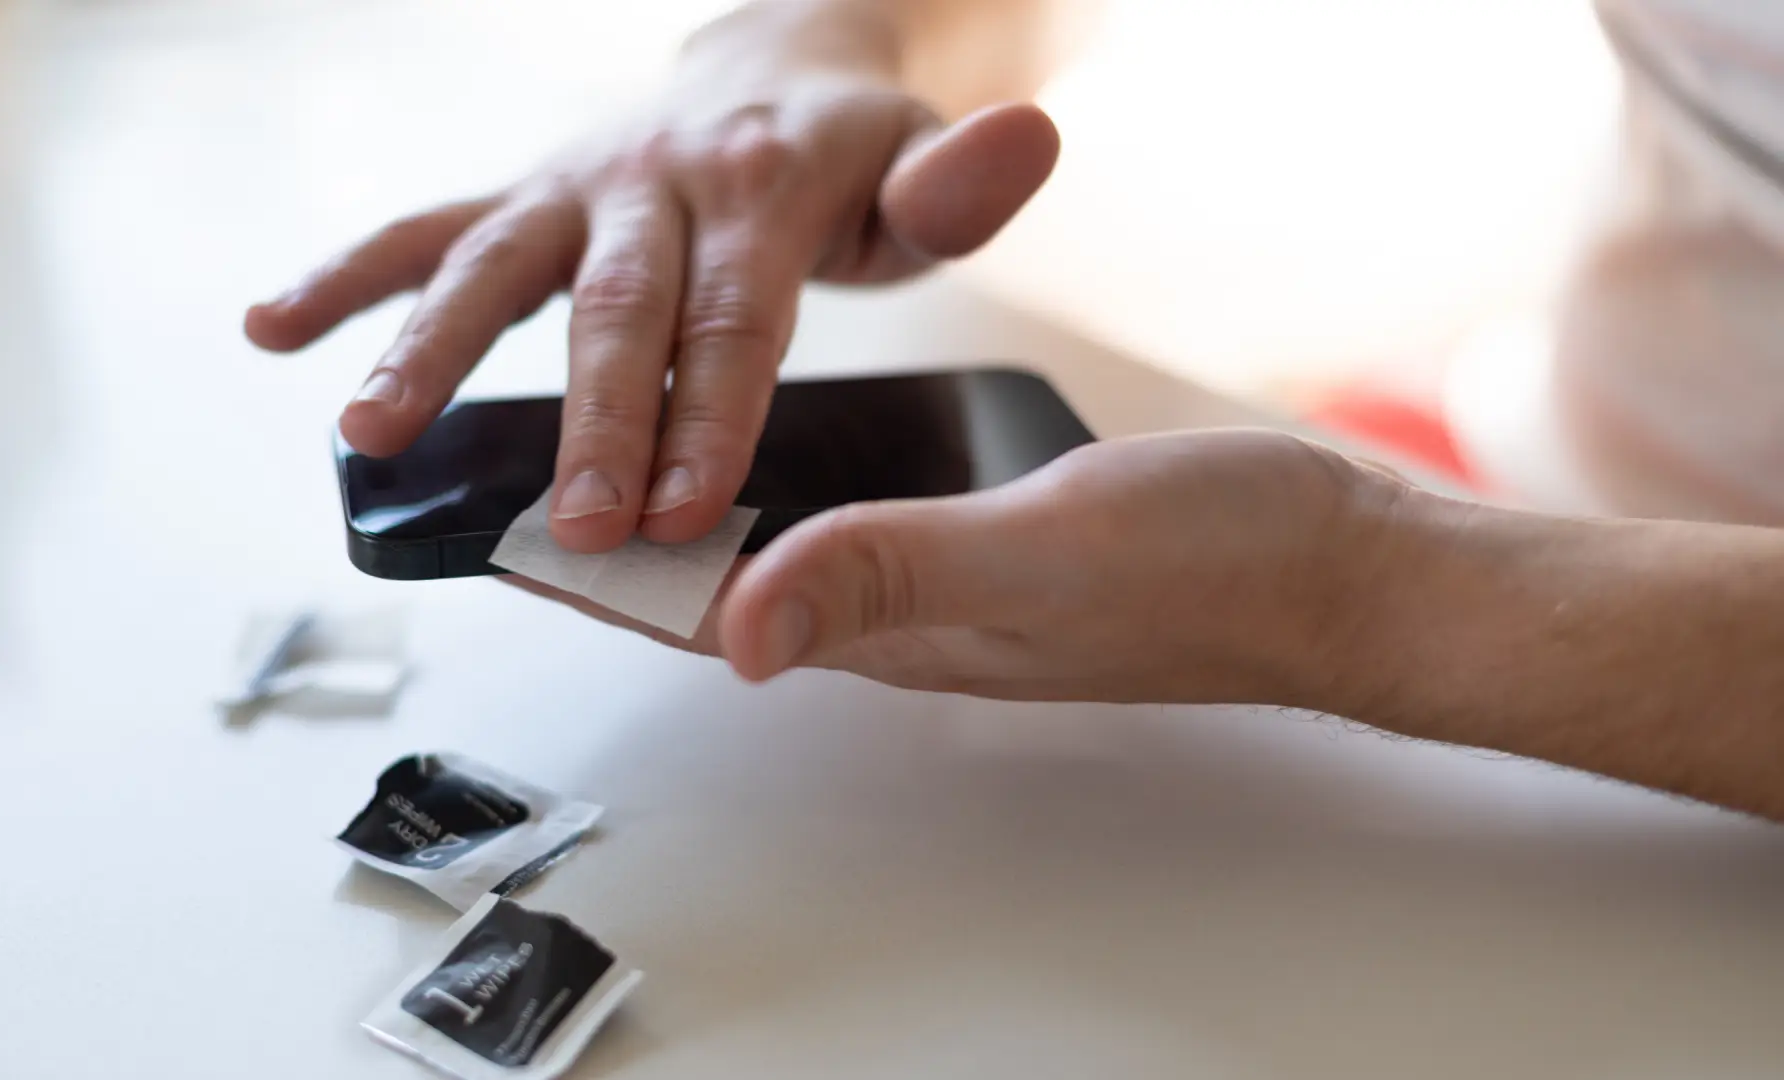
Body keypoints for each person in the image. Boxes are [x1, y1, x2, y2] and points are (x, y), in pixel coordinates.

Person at [244, 0, 1784, 822]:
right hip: (1526, 461)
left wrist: (1370, 597)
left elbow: (1381, 592)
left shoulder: (1386, 583)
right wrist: (807, 45)